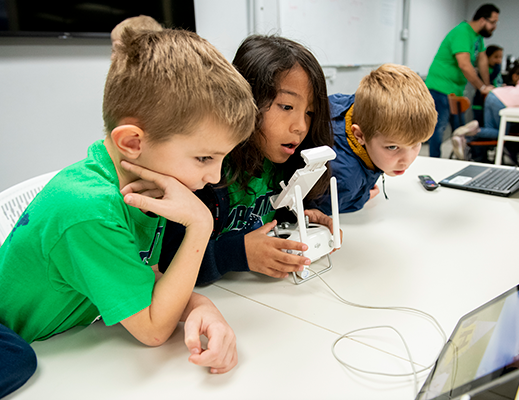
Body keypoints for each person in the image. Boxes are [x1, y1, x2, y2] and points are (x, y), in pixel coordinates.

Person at [0, 28, 256, 396]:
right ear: (132, 142)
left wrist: (201, 306)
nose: (214, 176)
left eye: (221, 158)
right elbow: (153, 328)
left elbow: (145, 279)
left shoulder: (141, 181)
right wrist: (199, 223)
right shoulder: (89, 210)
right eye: (204, 158)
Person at [159, 34, 334, 283]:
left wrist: (298, 218)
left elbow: (265, 218)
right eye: (286, 107)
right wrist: (237, 254)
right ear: (246, 99)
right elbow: (168, 261)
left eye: (309, 112)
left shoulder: (281, 163)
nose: (300, 126)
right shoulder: (205, 171)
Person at [313, 64, 437, 215]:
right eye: (393, 147)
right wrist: (362, 197)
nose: (407, 160)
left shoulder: (365, 108)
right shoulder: (345, 182)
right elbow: (316, 209)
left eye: (416, 144)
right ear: (359, 135)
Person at [451, 51, 519, 160]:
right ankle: (473, 130)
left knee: (491, 131)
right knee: (502, 133)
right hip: (502, 102)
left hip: (494, 95)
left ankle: (464, 137)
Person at [425, 3, 500, 158]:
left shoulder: (477, 37)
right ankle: (434, 161)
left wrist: (487, 86)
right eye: (492, 22)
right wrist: (481, 87)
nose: (494, 26)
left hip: (456, 89)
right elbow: (465, 65)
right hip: (440, 87)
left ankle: (459, 162)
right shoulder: (462, 32)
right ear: (482, 20)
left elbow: (482, 60)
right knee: (438, 130)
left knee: (459, 130)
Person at [472, 45, 504, 126]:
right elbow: (487, 83)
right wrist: (497, 70)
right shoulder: (484, 71)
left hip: (493, 104)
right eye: (496, 57)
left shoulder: (497, 70)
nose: (499, 60)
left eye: (501, 57)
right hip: (480, 104)